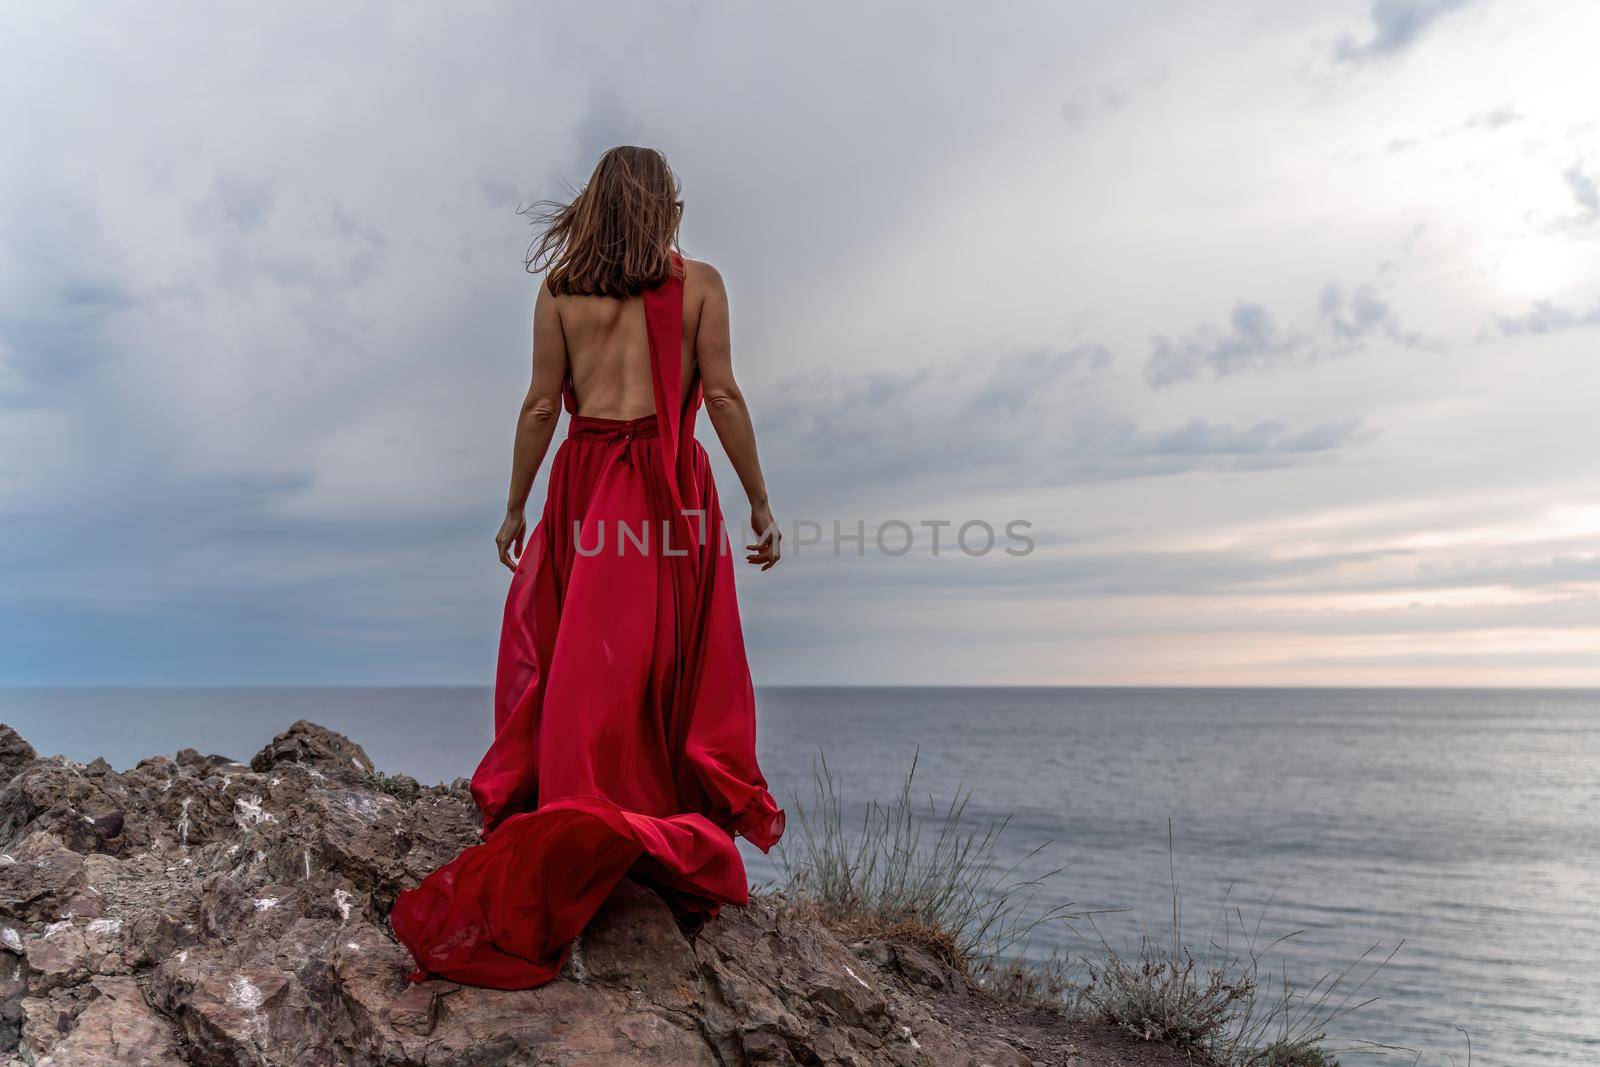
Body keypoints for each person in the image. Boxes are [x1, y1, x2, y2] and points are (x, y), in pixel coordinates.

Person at [390, 146, 785, 989]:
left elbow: (541, 402)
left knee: (586, 660)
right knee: (663, 658)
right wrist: (758, 499)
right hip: (669, 488)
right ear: (666, 206)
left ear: (596, 203)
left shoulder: (562, 290)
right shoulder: (703, 285)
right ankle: (635, 826)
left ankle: (597, 811)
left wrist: (515, 505)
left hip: (587, 482)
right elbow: (721, 396)